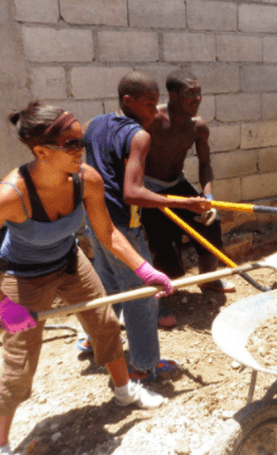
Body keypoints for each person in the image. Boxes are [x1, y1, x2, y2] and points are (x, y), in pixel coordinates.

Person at [0, 103, 170, 455]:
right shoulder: (11, 195)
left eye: (82, 140)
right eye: (72, 145)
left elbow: (108, 234)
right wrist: (5, 307)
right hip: (21, 279)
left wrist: (143, 269)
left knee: (105, 324)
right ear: (41, 151)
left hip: (69, 262)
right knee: (19, 361)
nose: (82, 150)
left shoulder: (86, 179)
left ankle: (124, 393)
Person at [83, 71, 211, 382]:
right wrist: (186, 203)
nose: (154, 112)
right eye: (148, 105)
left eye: (156, 104)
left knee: (108, 283)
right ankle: (143, 366)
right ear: (128, 101)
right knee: (141, 295)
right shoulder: (139, 136)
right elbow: (131, 192)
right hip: (122, 227)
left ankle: (94, 339)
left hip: (94, 220)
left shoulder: (95, 124)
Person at [141, 70, 235, 310]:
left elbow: (205, 164)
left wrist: (208, 197)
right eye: (189, 94)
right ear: (173, 95)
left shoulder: (198, 127)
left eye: (198, 93)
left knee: (210, 223)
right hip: (150, 187)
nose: (197, 99)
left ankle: (209, 279)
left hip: (177, 183)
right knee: (163, 244)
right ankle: (163, 296)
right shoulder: (154, 121)